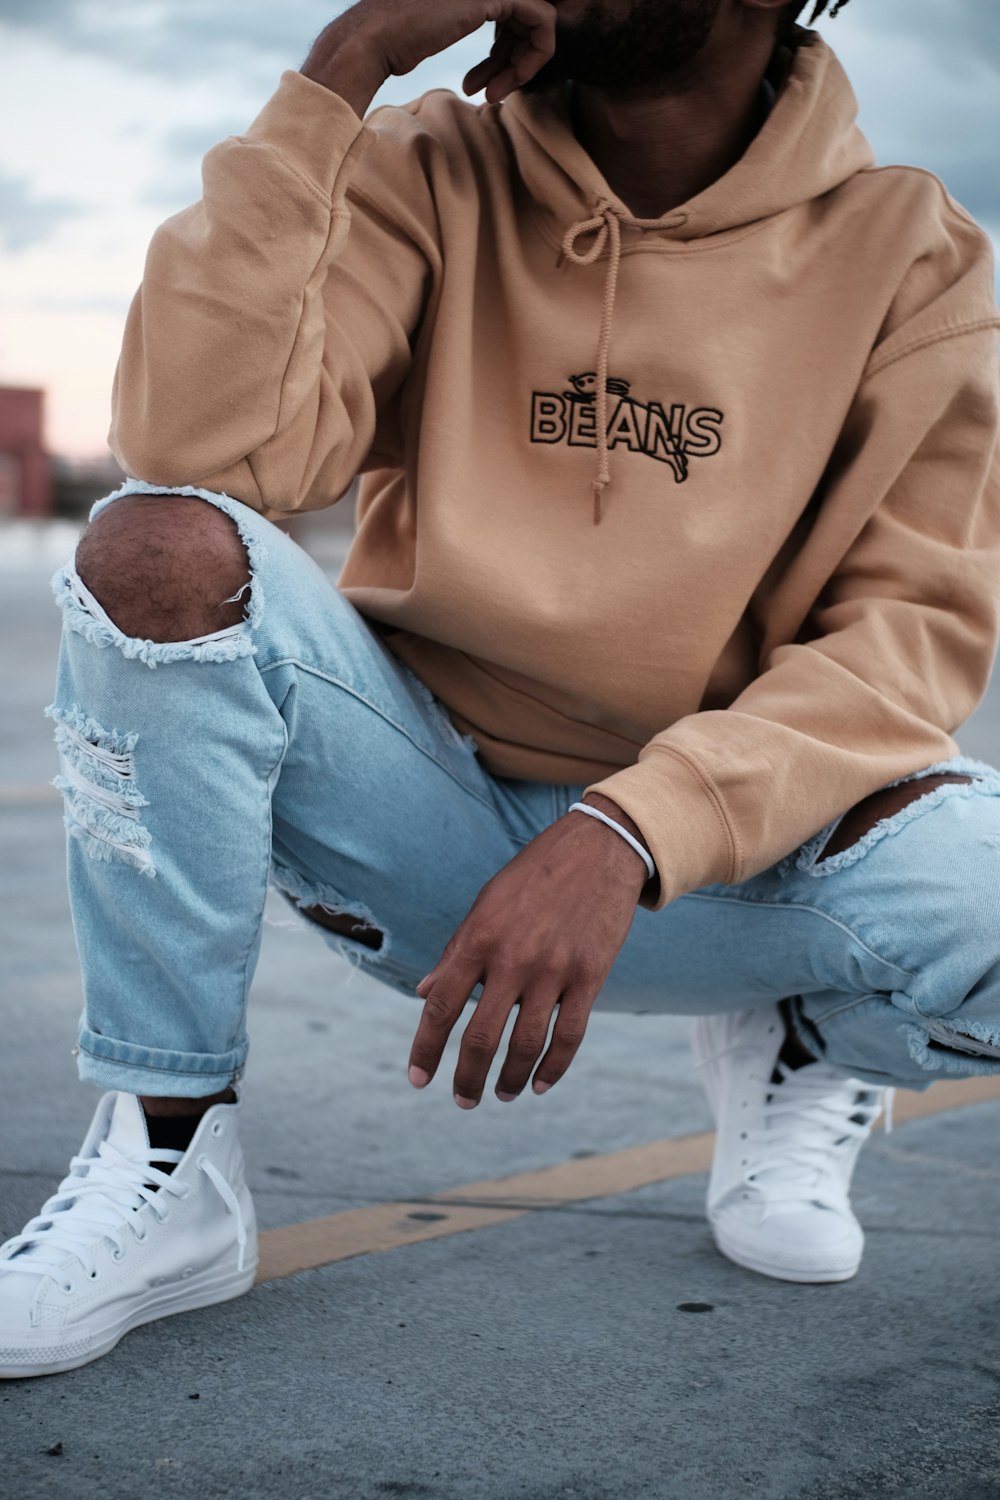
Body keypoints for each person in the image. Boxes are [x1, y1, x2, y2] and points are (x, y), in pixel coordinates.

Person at [2, 0, 999, 1379]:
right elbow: (198, 449)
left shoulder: (920, 259)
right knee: (157, 547)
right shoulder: (432, 165)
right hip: (429, 823)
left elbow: (906, 648)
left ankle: (810, 1038)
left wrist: (633, 829)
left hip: (729, 868)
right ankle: (170, 1156)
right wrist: (340, 73)